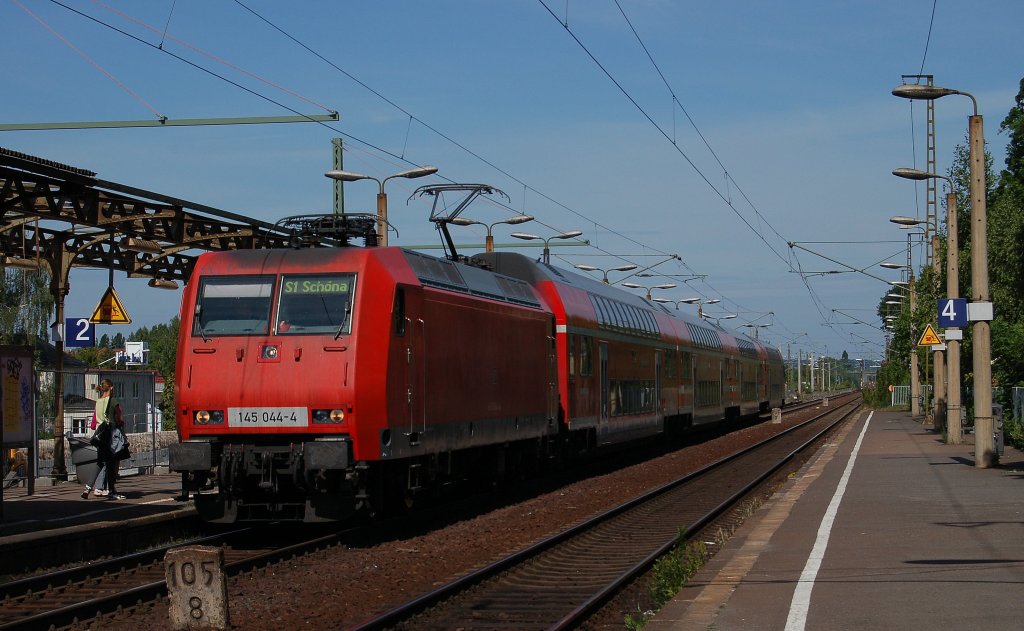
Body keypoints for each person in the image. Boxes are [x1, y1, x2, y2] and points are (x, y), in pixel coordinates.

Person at [81, 379, 126, 500]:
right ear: (111, 388)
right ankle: (112, 491)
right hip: (109, 435)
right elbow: (119, 415)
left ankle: (88, 488)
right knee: (111, 463)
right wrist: (120, 423)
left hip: (100, 435)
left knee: (100, 462)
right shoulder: (112, 400)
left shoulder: (98, 401)